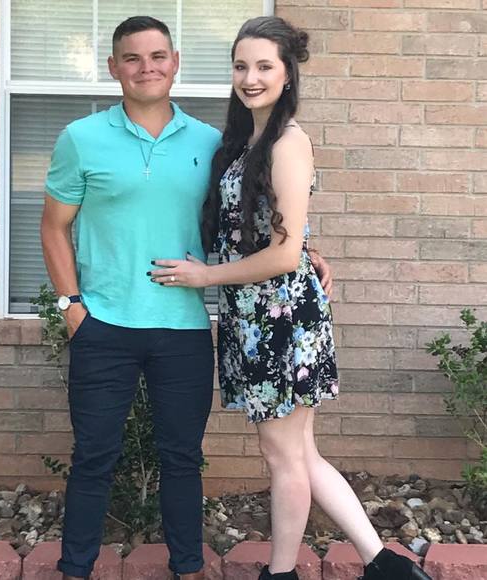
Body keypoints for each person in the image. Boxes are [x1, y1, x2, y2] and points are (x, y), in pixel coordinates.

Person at [41, 15, 333, 580]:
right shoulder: (80, 138)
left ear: (175, 64)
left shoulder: (213, 144)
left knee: (181, 459)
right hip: (103, 326)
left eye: (158, 56)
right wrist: (71, 307)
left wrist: (306, 251)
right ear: (114, 68)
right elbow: (54, 227)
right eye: (132, 58)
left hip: (184, 330)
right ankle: (74, 569)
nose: (146, 68)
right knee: (93, 458)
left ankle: (188, 568)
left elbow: (251, 212)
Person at [149, 16, 432, 580]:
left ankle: (281, 574)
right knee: (300, 453)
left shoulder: (288, 142)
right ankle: (385, 565)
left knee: (283, 457)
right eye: (240, 66)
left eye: (264, 66)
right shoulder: (248, 141)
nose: (250, 78)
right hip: (258, 316)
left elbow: (281, 255)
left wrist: (205, 277)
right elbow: (281, 231)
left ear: (286, 74)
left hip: (280, 319)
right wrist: (307, 248)